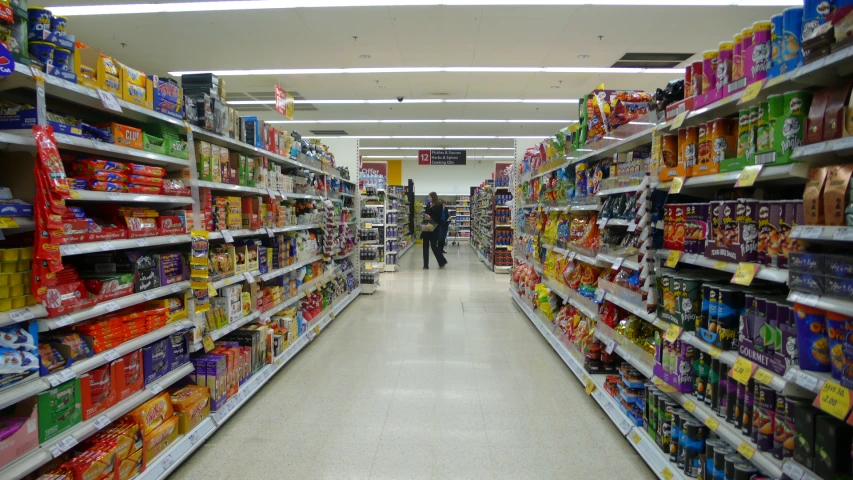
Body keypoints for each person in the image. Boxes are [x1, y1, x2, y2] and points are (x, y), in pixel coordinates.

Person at [423, 192, 448, 269]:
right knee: (425, 246)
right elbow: (427, 213)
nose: (428, 198)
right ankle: (425, 265)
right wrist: (426, 215)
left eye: (429, 197)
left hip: (434, 226)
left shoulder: (438, 206)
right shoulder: (428, 205)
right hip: (427, 225)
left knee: (434, 246)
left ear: (433, 197)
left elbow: (438, 218)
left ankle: (442, 262)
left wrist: (430, 217)